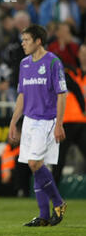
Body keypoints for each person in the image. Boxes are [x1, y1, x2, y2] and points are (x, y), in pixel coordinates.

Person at [8, 24, 68, 227]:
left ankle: (58, 202)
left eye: (26, 40)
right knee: (35, 166)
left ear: (38, 41)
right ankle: (43, 215)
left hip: (47, 121)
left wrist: (59, 123)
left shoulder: (53, 62)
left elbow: (62, 94)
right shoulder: (24, 64)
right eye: (22, 40)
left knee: (35, 163)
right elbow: (22, 95)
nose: (22, 43)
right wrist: (14, 121)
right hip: (29, 122)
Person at [53, 43, 86, 185]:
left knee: (59, 158)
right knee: (59, 158)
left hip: (76, 121)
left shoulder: (67, 73)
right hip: (72, 120)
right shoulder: (71, 73)